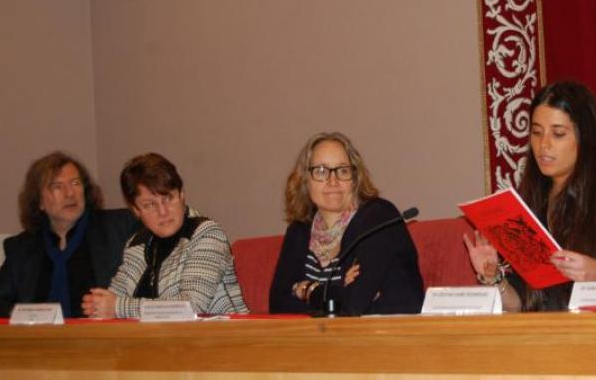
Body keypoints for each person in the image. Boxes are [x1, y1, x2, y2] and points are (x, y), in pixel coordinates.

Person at [464, 81, 596, 311]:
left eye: (558, 134)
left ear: (585, 138)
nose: (544, 145)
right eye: (536, 132)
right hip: (541, 336)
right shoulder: (529, 202)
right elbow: (521, 304)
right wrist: (493, 275)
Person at [269, 132, 423, 315]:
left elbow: (353, 304)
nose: (333, 181)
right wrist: (337, 289)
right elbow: (277, 304)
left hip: (387, 337)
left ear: (355, 179)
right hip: (317, 340)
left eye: (342, 170)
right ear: (305, 180)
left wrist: (308, 290)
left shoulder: (378, 219)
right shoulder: (299, 230)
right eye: (321, 171)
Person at [82, 153, 247, 318]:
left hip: (220, 339)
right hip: (160, 341)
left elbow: (191, 307)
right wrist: (98, 306)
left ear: (182, 195)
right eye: (150, 205)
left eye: (168, 198)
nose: (163, 212)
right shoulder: (137, 244)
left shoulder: (206, 234)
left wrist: (118, 307)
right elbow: (112, 299)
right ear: (136, 211)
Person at [0, 152, 137, 318]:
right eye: (57, 186)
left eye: (75, 183)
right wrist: (32, 315)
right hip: (39, 340)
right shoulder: (21, 248)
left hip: (105, 338)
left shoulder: (119, 227)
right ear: (39, 201)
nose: (70, 193)